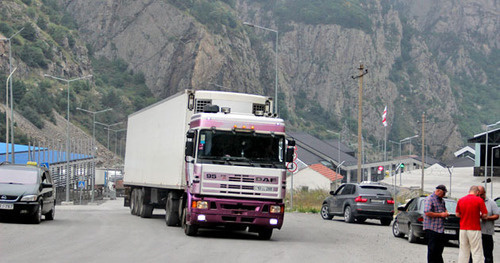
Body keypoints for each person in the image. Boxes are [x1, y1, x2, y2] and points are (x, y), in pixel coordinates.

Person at [456, 185, 488, 263]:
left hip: (463, 228)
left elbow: (457, 214)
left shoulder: (461, 200)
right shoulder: (479, 200)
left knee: (463, 250)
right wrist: (479, 216)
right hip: (474, 228)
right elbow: (485, 215)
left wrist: (464, 216)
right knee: (476, 251)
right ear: (477, 192)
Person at [423, 184, 449, 263]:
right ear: (438, 191)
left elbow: (444, 210)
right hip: (431, 228)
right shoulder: (430, 199)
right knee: (432, 250)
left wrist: (446, 213)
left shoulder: (442, 201)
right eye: (443, 193)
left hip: (440, 229)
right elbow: (427, 212)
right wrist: (441, 215)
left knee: (439, 250)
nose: (444, 195)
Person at [477, 186, 499, 263]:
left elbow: (496, 215)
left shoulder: (491, 202)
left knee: (488, 254)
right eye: (478, 195)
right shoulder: (474, 201)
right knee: (474, 254)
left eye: (481, 195)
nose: (480, 197)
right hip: (476, 232)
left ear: (485, 193)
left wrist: (487, 218)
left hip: (487, 232)